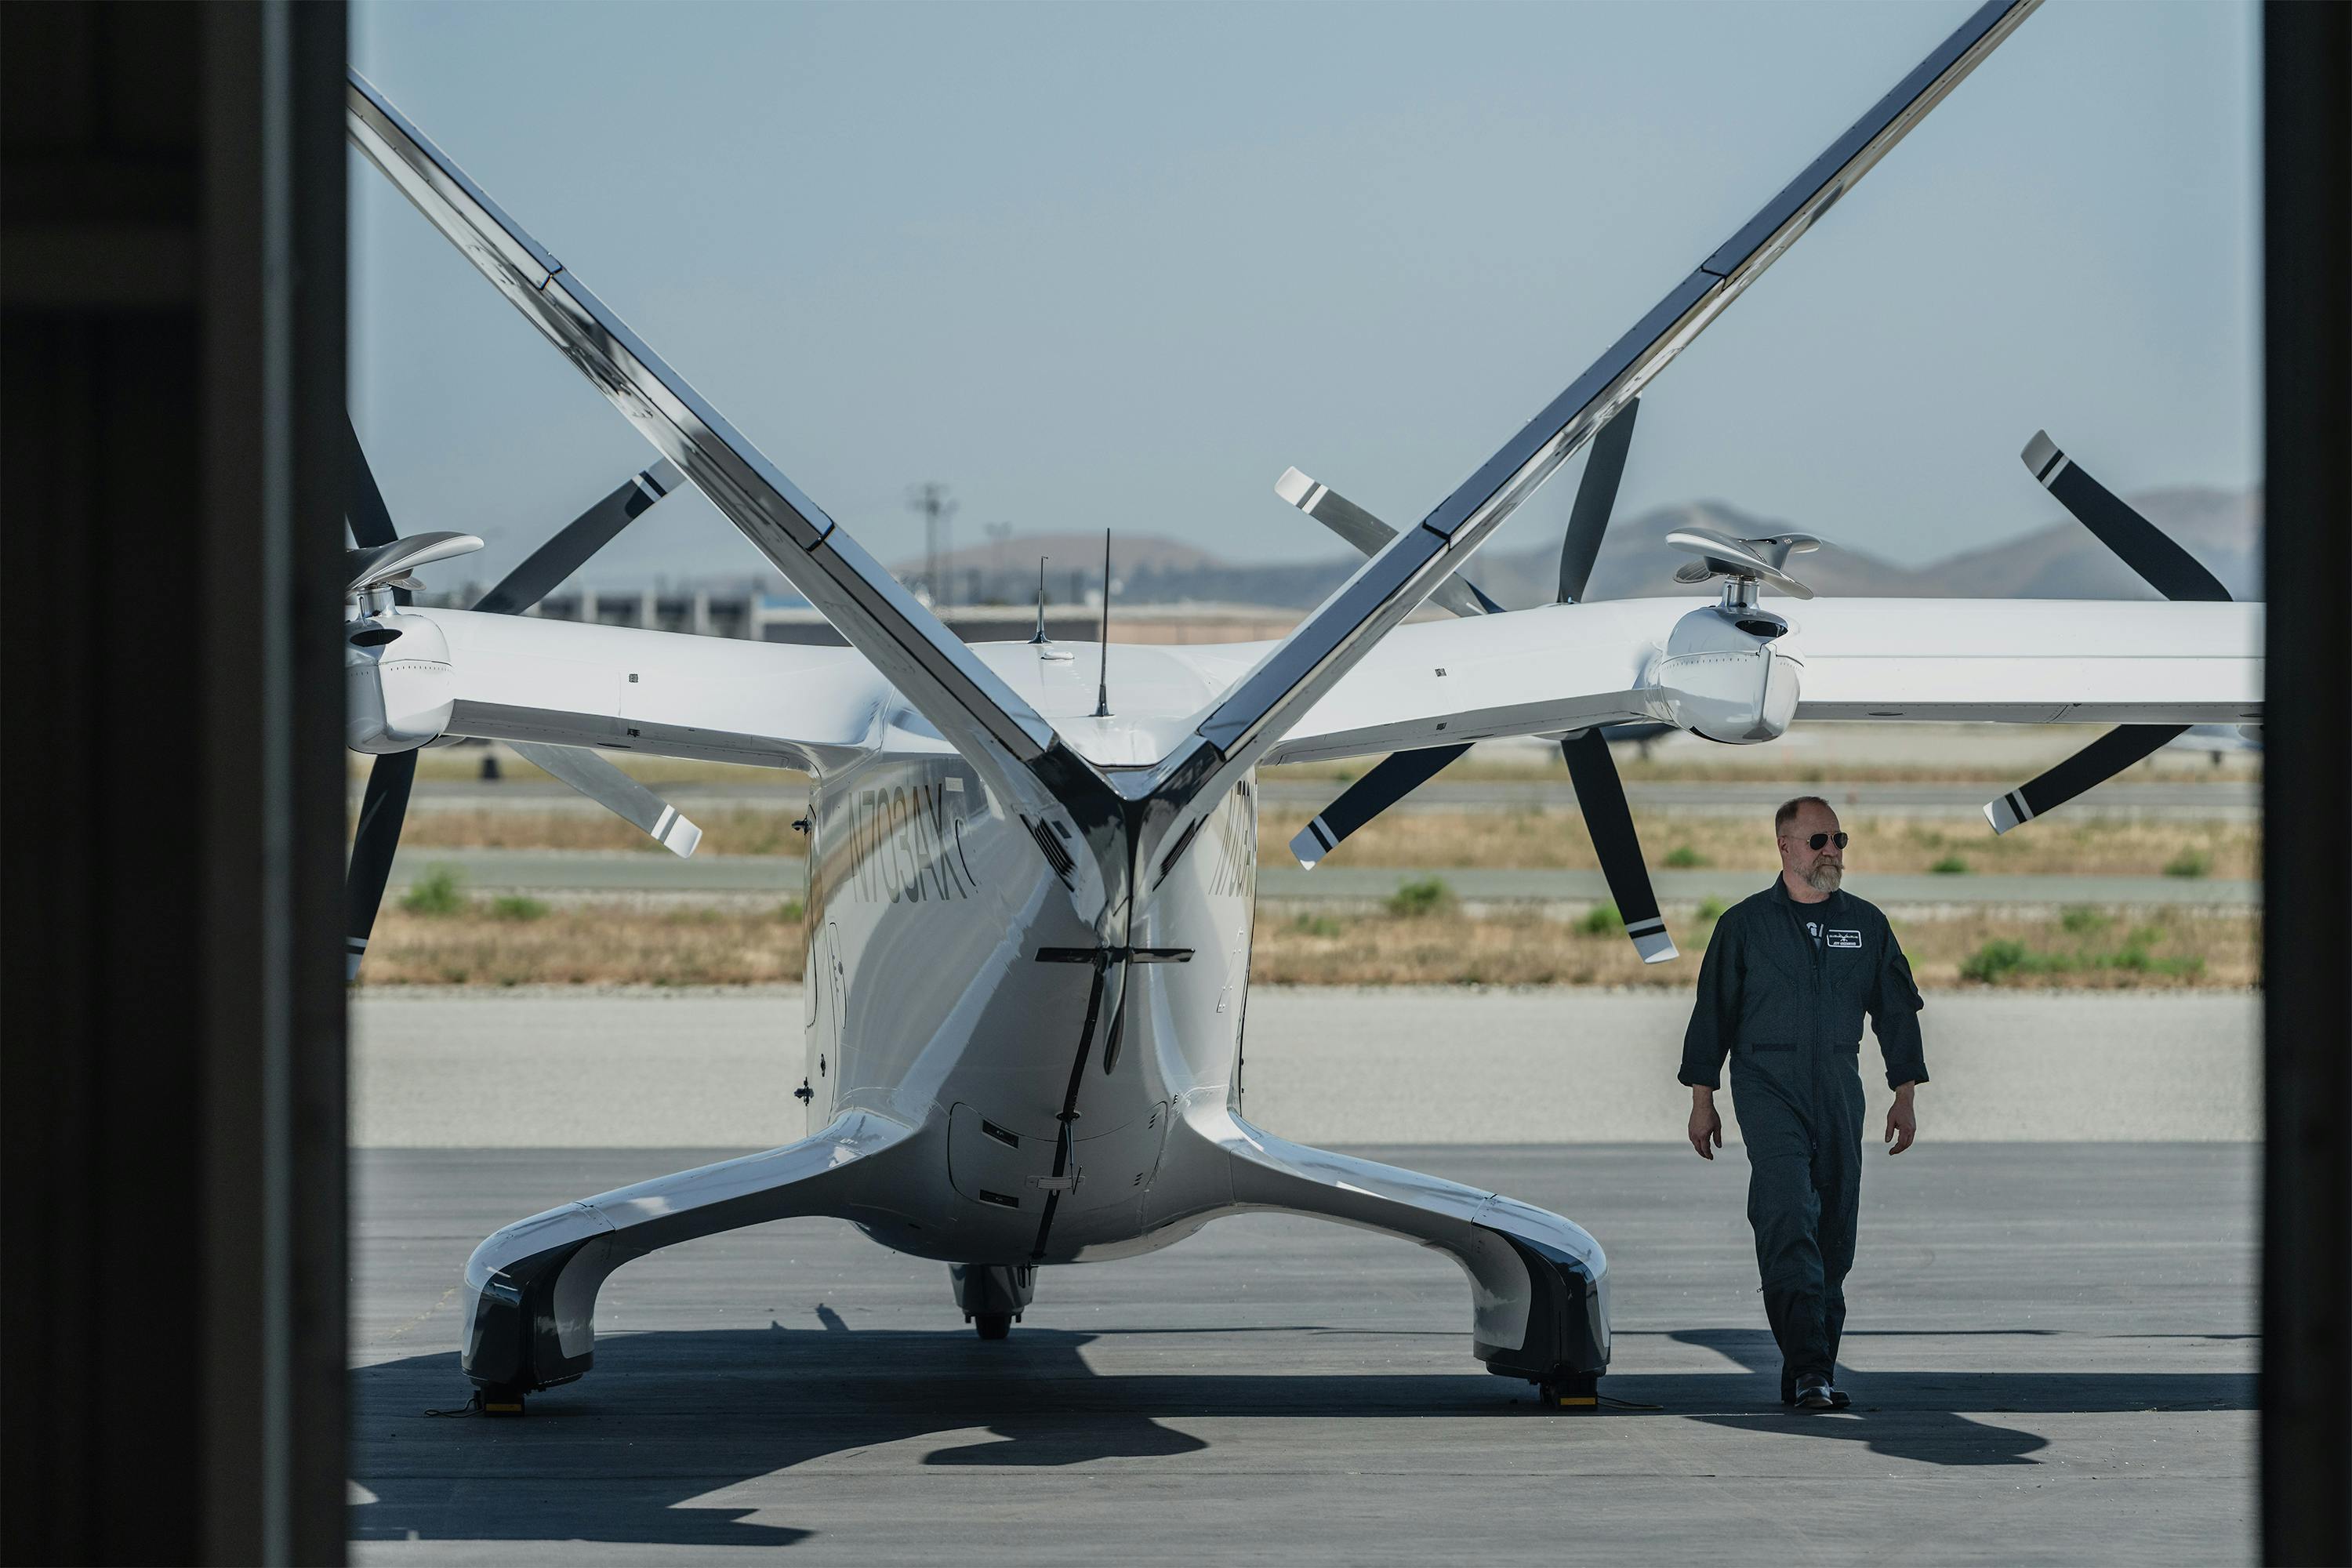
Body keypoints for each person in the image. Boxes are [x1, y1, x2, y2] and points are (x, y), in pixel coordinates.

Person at [1679, 795, 1927, 1411]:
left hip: (1841, 1091)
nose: (1832, 853)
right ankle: (1814, 1369)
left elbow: (1896, 1012)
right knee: (1787, 1216)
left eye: (1840, 840)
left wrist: (1905, 1094)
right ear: (1785, 847)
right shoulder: (1744, 925)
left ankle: (1807, 1363)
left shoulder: (1866, 925)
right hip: (1768, 1087)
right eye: (1818, 841)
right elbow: (1713, 1015)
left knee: (1834, 1235)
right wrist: (1702, 1101)